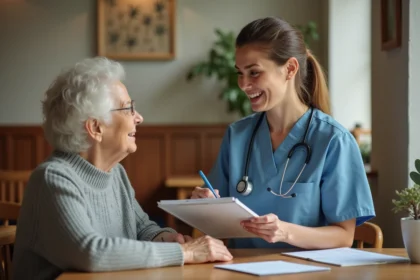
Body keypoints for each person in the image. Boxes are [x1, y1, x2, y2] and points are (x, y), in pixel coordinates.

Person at [12, 57, 232, 280]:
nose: (139, 117)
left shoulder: (115, 172)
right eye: (129, 109)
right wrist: (184, 252)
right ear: (95, 127)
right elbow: (90, 253)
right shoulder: (53, 179)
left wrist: (169, 238)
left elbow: (142, 228)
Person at [191, 17, 376, 250]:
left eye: (254, 72)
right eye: (240, 73)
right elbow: (218, 221)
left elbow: (343, 237)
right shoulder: (237, 136)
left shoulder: (333, 140)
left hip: (310, 272)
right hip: (241, 270)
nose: (243, 84)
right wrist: (204, 206)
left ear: (289, 69)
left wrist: (285, 232)